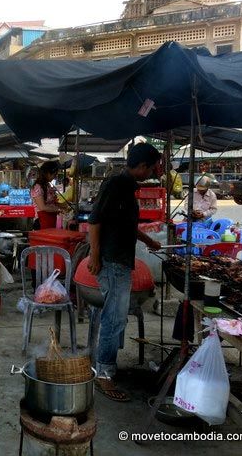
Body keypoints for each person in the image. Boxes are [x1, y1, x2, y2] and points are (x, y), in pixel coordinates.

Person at [87, 143, 162, 402]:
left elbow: (125, 225)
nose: (153, 172)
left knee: (115, 317)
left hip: (120, 260)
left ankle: (105, 368)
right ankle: (104, 374)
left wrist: (147, 240)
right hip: (111, 261)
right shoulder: (116, 184)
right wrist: (95, 256)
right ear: (142, 166)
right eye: (152, 167)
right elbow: (94, 221)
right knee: (114, 318)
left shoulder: (128, 187)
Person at [31, 160, 62, 229]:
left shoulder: (47, 185)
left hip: (51, 219)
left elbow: (53, 202)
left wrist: (61, 206)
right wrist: (59, 209)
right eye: (54, 174)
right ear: (48, 173)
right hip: (41, 221)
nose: (55, 177)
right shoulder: (38, 187)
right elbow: (42, 207)